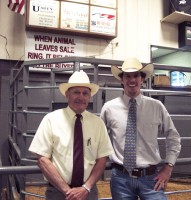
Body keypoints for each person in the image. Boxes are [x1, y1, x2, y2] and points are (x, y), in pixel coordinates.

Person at [100, 58, 181, 200]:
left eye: (136, 75)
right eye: (127, 76)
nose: (132, 80)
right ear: (121, 79)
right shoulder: (108, 108)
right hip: (120, 179)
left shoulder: (156, 107)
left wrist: (168, 167)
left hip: (151, 178)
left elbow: (173, 136)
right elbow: (99, 139)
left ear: (142, 79)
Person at [29, 70, 114, 200]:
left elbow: (102, 159)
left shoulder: (98, 124)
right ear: (67, 94)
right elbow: (42, 159)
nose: (81, 97)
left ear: (89, 97)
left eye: (85, 93)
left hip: (88, 192)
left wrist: (86, 188)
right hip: (58, 192)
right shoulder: (51, 120)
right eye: (76, 92)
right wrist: (67, 190)